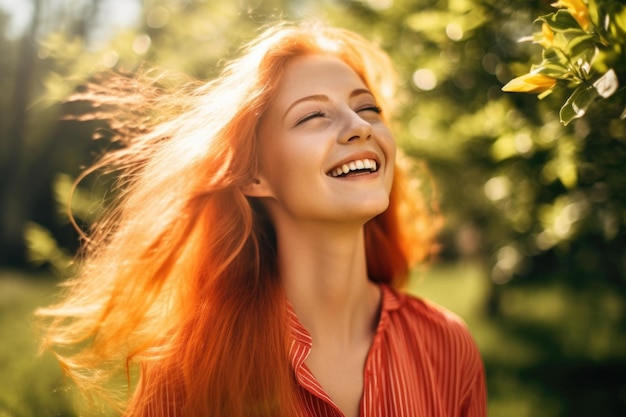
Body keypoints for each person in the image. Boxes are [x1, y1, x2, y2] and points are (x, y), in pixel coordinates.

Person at [38, 20, 487, 417]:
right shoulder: (192, 370)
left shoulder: (446, 345)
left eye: (367, 108)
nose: (360, 125)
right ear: (254, 174)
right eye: (314, 115)